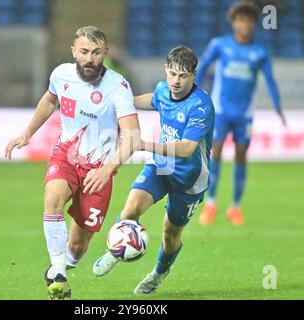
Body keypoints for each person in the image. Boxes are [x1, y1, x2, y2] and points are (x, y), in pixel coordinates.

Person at [5, 26, 141, 300]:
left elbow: (133, 137)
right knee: (52, 199)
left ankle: (61, 268)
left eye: (96, 52)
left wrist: (107, 170)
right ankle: (58, 275)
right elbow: (49, 100)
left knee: (78, 245)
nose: (89, 58)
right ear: (73, 51)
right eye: (84, 52)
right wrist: (27, 132)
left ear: (105, 53)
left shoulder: (118, 86)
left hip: (99, 170)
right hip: (66, 155)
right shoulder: (61, 74)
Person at [92, 45, 215, 294]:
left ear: (193, 74)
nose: (176, 81)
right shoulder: (163, 89)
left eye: (183, 76)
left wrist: (142, 145)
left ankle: (158, 273)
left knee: (170, 234)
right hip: (160, 166)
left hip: (189, 179)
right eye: (172, 74)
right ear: (166, 70)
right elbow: (151, 99)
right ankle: (115, 250)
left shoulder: (201, 106)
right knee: (130, 208)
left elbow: (186, 149)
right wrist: (120, 104)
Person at [196, 1, 286, 226]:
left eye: (248, 20)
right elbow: (204, 66)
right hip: (222, 112)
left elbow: (270, 80)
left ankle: (235, 207)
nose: (244, 24)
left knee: (241, 156)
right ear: (233, 22)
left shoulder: (259, 52)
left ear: (254, 24)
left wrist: (277, 105)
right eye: (240, 20)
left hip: (244, 114)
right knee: (214, 154)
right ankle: (211, 203)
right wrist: (193, 95)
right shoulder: (220, 44)